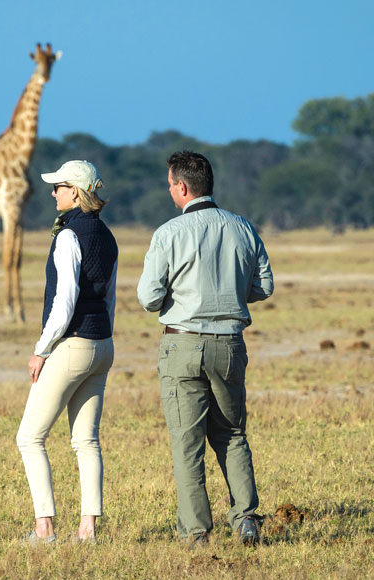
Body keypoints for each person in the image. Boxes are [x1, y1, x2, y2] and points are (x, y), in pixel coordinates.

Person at [137, 151, 273, 546]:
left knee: (187, 444)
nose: (169, 191)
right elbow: (264, 286)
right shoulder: (243, 228)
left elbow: (148, 297)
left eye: (169, 185)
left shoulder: (167, 234)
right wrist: (232, 294)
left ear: (181, 187)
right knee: (232, 434)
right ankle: (246, 519)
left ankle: (196, 532)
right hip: (230, 344)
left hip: (181, 344)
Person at [16, 160, 118, 545]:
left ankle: (44, 529)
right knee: (86, 441)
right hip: (102, 344)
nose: (53, 192)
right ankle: (87, 531)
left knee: (30, 438)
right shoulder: (108, 236)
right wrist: (104, 338)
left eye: (58, 186)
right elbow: (108, 298)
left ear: (75, 191)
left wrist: (41, 350)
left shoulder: (68, 235)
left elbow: (65, 301)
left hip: (71, 344)